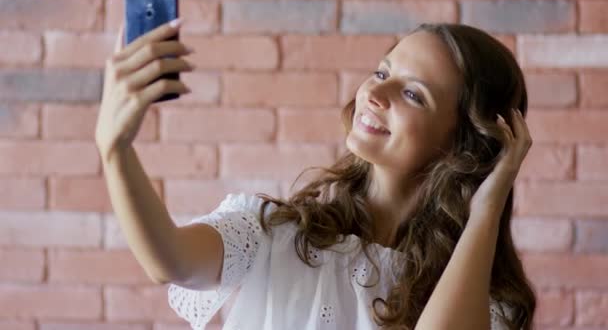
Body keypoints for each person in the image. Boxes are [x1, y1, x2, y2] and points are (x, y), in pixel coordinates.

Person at [96, 18, 536, 330]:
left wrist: (487, 206)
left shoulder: (482, 302)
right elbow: (168, 260)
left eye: (411, 93)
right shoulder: (274, 234)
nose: (374, 93)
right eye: (382, 72)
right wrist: (115, 151)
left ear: (464, 146)